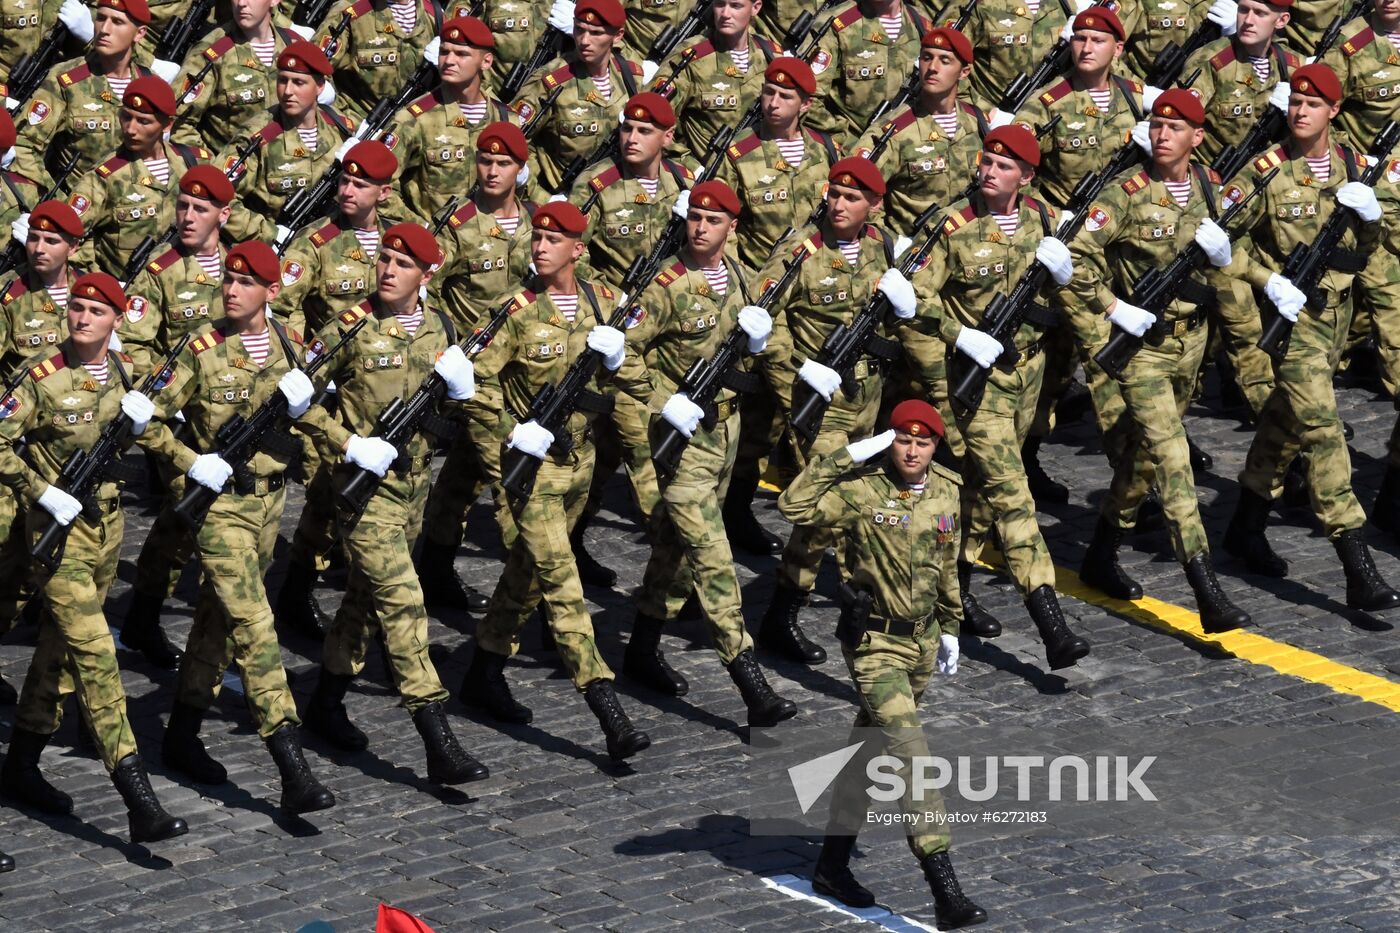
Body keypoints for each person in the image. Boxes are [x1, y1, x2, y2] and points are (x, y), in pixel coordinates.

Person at [142, 241, 336, 814]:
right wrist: (187, 462)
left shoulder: (291, 349)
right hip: (218, 506)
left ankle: (180, 733)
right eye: (228, 278)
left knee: (216, 625)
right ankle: (290, 764)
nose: (231, 288)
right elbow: (146, 418)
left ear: (271, 292)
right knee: (254, 625)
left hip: (270, 506)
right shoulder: (202, 350)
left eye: (246, 282)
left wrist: (318, 419)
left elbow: (313, 419)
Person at [779, 400, 986, 931]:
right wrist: (846, 455)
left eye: (923, 442)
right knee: (911, 757)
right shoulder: (861, 491)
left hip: (922, 642)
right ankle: (945, 889)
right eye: (902, 439)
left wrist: (953, 627)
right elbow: (793, 507)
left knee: (869, 751)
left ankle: (831, 866)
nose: (912, 450)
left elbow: (947, 563)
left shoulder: (945, 489)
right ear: (888, 441)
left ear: (936, 446)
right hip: (875, 646)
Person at [296, 221, 490, 786]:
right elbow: (296, 398)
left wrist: (462, 395)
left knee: (362, 604)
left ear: (426, 275)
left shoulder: (442, 331)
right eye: (383, 259)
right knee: (404, 605)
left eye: (402, 265)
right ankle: (436, 735)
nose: (386, 270)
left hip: (413, 490)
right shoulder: (350, 327)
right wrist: (349, 444)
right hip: (361, 493)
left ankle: (326, 703)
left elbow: (453, 421)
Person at [0, 271, 188, 845]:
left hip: (107, 528)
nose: (81, 318)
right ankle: (137, 796)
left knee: (58, 653)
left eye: (94, 311)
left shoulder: (128, 373)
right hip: (57, 534)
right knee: (96, 654)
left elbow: (151, 433)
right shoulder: (40, 379)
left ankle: (22, 765)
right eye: (76, 308)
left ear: (114, 321)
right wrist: (41, 491)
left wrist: (187, 458)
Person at [462, 200, 652, 762]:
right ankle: (605, 706)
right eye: (536, 237)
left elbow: (639, 385)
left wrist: (620, 361)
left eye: (553, 239)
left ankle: (485, 668)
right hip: (534, 471)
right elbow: (472, 385)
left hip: (581, 464)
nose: (540, 246)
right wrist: (511, 432)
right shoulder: (513, 311)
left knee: (527, 573)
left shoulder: (605, 305)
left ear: (579, 249)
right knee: (562, 583)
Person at [1065, 89, 1252, 632]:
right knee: (1173, 461)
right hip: (1141, 349)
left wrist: (1232, 261)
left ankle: (1100, 553)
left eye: (1176, 127)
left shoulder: (1213, 190)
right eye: (1157, 125)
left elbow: (1239, 252)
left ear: (1197, 136)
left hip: (1191, 342)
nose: (1163, 134)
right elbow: (1076, 255)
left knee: (1143, 459)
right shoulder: (1124, 194)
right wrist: (1113, 308)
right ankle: (1205, 588)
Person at [909, 123, 1092, 670]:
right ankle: (1051, 626)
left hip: (1027, 376)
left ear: (1027, 177)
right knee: (1013, 498)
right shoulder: (954, 226)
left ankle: (951, 594)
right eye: (986, 161)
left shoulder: (1042, 223)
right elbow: (913, 294)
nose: (990, 171)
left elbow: (1079, 286)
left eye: (1004, 165)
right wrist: (958, 333)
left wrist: (1070, 273)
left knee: (979, 495)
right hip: (976, 383)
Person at [1222, 63, 1400, 612]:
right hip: (1290, 321)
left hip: (1338, 317)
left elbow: (1390, 231)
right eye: (1295, 103)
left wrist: (1375, 216)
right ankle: (1355, 558)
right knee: (1323, 430)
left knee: (1284, 422)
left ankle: (1245, 526)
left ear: (1333, 112)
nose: (1300, 111)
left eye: (1312, 104)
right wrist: (1268, 281)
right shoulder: (1263, 172)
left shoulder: (1359, 167)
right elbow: (1219, 243)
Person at [623, 179, 799, 727]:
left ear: (732, 227)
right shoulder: (664, 285)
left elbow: (767, 348)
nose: (700, 227)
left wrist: (763, 345)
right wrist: (663, 402)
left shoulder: (745, 279)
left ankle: (642, 646)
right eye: (694, 216)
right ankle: (751, 683)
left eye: (713, 219)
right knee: (712, 557)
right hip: (680, 440)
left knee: (675, 551)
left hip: (726, 432)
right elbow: (620, 355)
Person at [754, 157, 907, 667]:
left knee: (855, 500)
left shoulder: (881, 246)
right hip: (820, 400)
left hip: (867, 398)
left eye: (851, 198)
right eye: (834, 195)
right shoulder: (802, 251)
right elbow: (761, 320)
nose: (838, 206)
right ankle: (801, 610)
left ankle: (816, 607)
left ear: (873, 206)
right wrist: (797, 376)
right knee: (826, 509)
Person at [273, 139, 398, 638]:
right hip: (333, 394)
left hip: (383, 388)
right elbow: (282, 309)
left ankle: (311, 590)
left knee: (336, 499)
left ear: (383, 193)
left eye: (360, 184)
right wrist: (306, 366)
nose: (347, 190)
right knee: (334, 496)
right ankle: (312, 595)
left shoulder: (398, 242)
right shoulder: (316, 243)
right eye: (344, 181)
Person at [119, 165, 241, 669]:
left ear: (223, 215)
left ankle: (142, 618)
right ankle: (233, 634)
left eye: (201, 209)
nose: (188, 217)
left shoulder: (243, 266)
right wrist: (175, 394)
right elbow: (133, 344)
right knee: (211, 528)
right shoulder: (161, 270)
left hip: (235, 417)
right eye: (183, 207)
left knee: (176, 528)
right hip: (183, 424)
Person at [417, 121, 536, 610]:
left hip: (526, 370)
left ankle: (435, 568)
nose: (490, 171)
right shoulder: (458, 225)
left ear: (520, 170)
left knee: (464, 472)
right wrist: (449, 347)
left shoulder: (538, 224)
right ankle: (533, 591)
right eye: (484, 162)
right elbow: (427, 290)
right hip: (476, 372)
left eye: (502, 163)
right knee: (510, 478)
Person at [65, 76, 213, 274]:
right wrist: (104, 286)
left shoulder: (192, 162)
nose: (131, 129)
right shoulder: (105, 177)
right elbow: (67, 241)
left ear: (167, 125)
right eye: (126, 117)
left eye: (143, 121)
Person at [383, 15, 520, 224]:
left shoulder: (505, 118)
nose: (449, 61)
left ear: (486, 61)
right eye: (444, 52)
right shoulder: (414, 119)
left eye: (461, 54)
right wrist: (422, 233)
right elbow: (381, 187)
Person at [852, 27, 986, 239]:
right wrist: (890, 242)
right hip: (913, 250)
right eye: (926, 58)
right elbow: (856, 194)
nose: (932, 67)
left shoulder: (977, 122)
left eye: (945, 60)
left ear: (964, 72)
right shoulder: (893, 130)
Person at [219, 39, 355, 243]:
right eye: (283, 80)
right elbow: (219, 197)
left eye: (298, 82)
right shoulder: (258, 136)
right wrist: (270, 235)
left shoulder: (340, 128)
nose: (288, 91)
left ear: (319, 87)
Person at [10, 0, 156, 191]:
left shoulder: (152, 87)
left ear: (139, 33)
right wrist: (56, 206)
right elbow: (23, 146)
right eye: (101, 18)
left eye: (117, 22)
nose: (104, 29)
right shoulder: (65, 79)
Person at [512, 0, 643, 197]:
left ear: (617, 36)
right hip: (560, 198)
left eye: (596, 33)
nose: (584, 40)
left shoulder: (631, 76)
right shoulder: (550, 81)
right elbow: (513, 142)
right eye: (579, 29)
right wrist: (542, 198)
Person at [651, 0, 782, 161]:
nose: (725, 14)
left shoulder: (771, 55)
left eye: (735, 6)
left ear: (755, 8)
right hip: (709, 173)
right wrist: (690, 168)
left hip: (759, 173)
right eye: (720, 4)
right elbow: (653, 122)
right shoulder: (691, 57)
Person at [167, 0, 304, 153]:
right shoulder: (211, 53)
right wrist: (214, 171)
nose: (241, 3)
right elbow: (178, 126)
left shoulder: (295, 46)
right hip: (233, 170)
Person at [807, 0, 932, 146]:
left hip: (909, 151)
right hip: (852, 150)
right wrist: (842, 141)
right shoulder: (836, 24)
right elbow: (807, 99)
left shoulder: (921, 23)